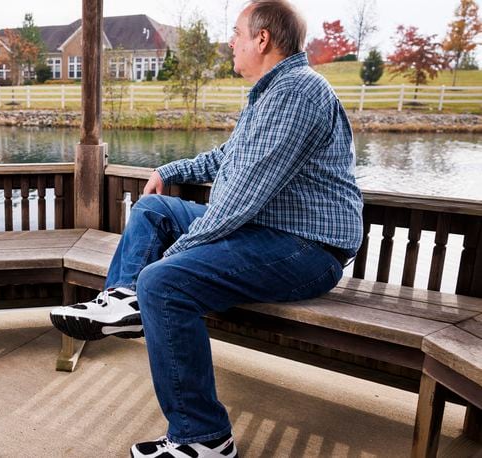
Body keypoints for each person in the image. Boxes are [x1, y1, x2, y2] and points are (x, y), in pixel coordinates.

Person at [50, 0, 364, 456]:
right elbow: (227, 160)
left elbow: (241, 197)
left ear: (263, 39)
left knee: (162, 282)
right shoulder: (270, 92)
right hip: (267, 230)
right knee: (154, 208)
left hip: (307, 249)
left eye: (237, 33)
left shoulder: (298, 91)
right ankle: (121, 300)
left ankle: (204, 438)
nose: (230, 42)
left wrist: (179, 255)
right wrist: (173, 169)